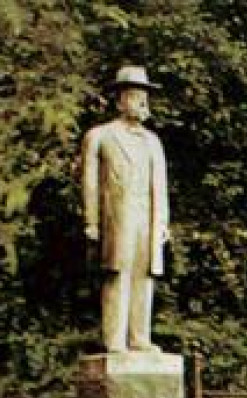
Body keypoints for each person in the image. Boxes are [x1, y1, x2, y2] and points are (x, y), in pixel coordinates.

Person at [80, 65, 170, 354]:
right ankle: (115, 338)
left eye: (144, 96)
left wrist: (163, 223)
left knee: (144, 276)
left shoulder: (153, 142)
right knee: (117, 274)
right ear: (119, 100)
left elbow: (160, 186)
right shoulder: (100, 136)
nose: (142, 102)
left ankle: (139, 336)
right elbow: (90, 183)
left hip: (147, 218)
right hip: (116, 217)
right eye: (134, 95)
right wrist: (91, 222)